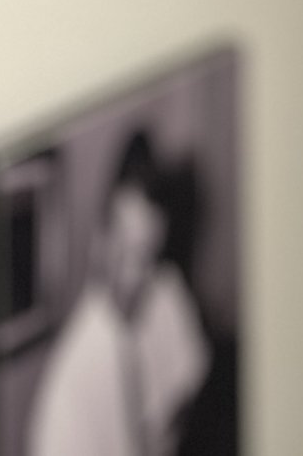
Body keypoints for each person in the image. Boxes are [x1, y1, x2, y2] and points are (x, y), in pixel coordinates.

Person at [25, 131, 211, 456]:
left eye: (148, 256)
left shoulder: (165, 291)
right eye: (127, 253)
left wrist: (169, 427)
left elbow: (191, 377)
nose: (139, 275)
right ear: (100, 244)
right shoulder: (74, 376)